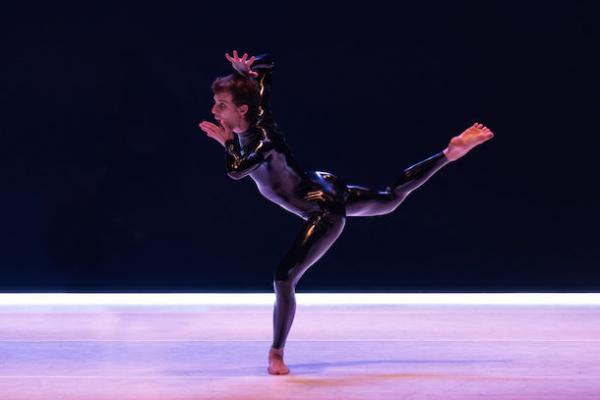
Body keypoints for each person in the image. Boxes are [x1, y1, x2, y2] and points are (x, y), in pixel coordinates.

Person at [199, 50, 495, 375]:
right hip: (320, 184)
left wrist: (228, 142)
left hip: (321, 209)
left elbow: (236, 170)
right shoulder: (258, 111)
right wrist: (248, 69)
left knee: (284, 277)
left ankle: (276, 353)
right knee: (390, 198)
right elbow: (267, 63)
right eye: (215, 104)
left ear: (241, 109)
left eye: (221, 105)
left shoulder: (263, 139)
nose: (214, 110)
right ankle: (449, 154)